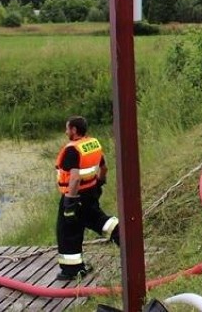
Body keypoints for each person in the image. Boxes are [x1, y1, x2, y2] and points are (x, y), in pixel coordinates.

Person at [55, 115, 120, 281]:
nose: (66, 131)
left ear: (74, 130)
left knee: (67, 231)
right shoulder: (92, 144)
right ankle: (122, 234)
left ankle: (72, 270)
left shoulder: (72, 149)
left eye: (67, 128)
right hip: (91, 191)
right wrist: (98, 183)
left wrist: (70, 200)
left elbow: (74, 178)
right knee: (96, 219)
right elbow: (104, 167)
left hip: (76, 194)